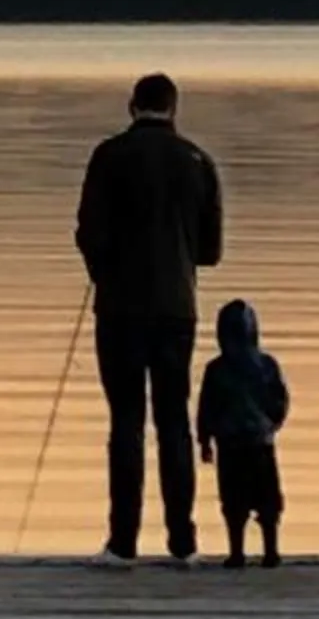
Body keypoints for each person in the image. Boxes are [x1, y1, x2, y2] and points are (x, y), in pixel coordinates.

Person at [74, 72, 223, 564]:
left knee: (127, 422)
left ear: (131, 107)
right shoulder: (199, 161)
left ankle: (123, 543)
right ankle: (183, 543)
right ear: (174, 109)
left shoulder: (108, 156)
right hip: (177, 310)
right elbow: (210, 251)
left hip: (119, 310)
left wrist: (104, 269)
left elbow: (87, 232)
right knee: (174, 422)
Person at [197, 297, 289, 570]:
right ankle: (270, 551)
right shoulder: (267, 365)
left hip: (231, 443)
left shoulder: (216, 369)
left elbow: (207, 407)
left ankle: (237, 553)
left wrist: (205, 439)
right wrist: (271, 424)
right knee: (267, 501)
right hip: (260, 441)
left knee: (234, 501)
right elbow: (280, 400)